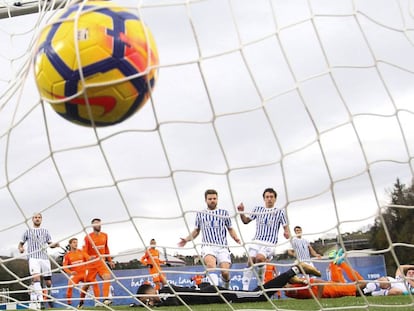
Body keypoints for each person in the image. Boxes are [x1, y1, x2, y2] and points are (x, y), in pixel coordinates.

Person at [132, 262, 321, 307]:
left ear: (150, 291)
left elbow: (168, 300)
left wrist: (154, 304)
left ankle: (294, 270)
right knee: (257, 296)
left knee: (258, 296)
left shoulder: (164, 292)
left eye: (146, 299)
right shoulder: (163, 293)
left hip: (216, 294)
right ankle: (289, 278)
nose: (148, 303)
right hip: (210, 292)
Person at [178, 189, 241, 289]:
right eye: (210, 199)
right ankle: (215, 291)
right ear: (206, 200)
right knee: (211, 266)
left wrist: (236, 238)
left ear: (217, 199)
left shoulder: (224, 213)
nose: (212, 200)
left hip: (222, 247)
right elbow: (196, 230)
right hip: (208, 246)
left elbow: (230, 228)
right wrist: (187, 239)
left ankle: (226, 287)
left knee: (225, 272)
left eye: (214, 198)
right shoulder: (200, 214)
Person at [237, 188, 290, 290]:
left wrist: (287, 233)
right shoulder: (258, 209)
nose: (269, 199)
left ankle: (260, 283)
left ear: (275, 199)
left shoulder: (280, 212)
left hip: (270, 242)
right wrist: (241, 212)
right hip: (256, 241)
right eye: (267, 197)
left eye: (271, 197)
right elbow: (246, 221)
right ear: (264, 199)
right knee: (250, 261)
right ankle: (245, 289)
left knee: (260, 259)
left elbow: (286, 227)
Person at [18, 212, 60, 309]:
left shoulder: (45, 231)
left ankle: (49, 296)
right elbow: (20, 244)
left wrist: (55, 245)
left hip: (44, 258)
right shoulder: (27, 231)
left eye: (39, 217)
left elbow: (50, 244)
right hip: (33, 258)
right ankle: (41, 301)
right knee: (36, 278)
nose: (37, 219)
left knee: (48, 282)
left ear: (41, 219)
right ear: (32, 219)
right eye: (35, 217)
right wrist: (20, 249)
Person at [78, 218, 115, 307]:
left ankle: (106, 299)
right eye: (95, 223)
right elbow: (83, 251)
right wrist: (88, 257)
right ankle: (81, 302)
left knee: (107, 277)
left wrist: (110, 261)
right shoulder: (87, 237)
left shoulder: (105, 235)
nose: (98, 225)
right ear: (92, 226)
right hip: (91, 264)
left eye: (99, 223)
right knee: (87, 285)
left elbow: (106, 248)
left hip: (101, 262)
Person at [285, 259, 367, 299]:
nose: (285, 289)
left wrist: (318, 298)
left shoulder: (296, 285)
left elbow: (320, 282)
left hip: (331, 289)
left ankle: (338, 263)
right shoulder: (289, 292)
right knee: (340, 282)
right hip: (331, 289)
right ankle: (336, 262)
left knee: (362, 284)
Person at [62, 238, 99, 306]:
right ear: (70, 244)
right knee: (70, 286)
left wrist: (94, 257)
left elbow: (88, 258)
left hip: (84, 274)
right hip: (75, 275)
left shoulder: (81, 252)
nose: (76, 244)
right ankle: (69, 305)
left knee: (95, 282)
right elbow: (64, 266)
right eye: (74, 242)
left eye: (76, 242)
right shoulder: (67, 255)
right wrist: (70, 272)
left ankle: (97, 302)